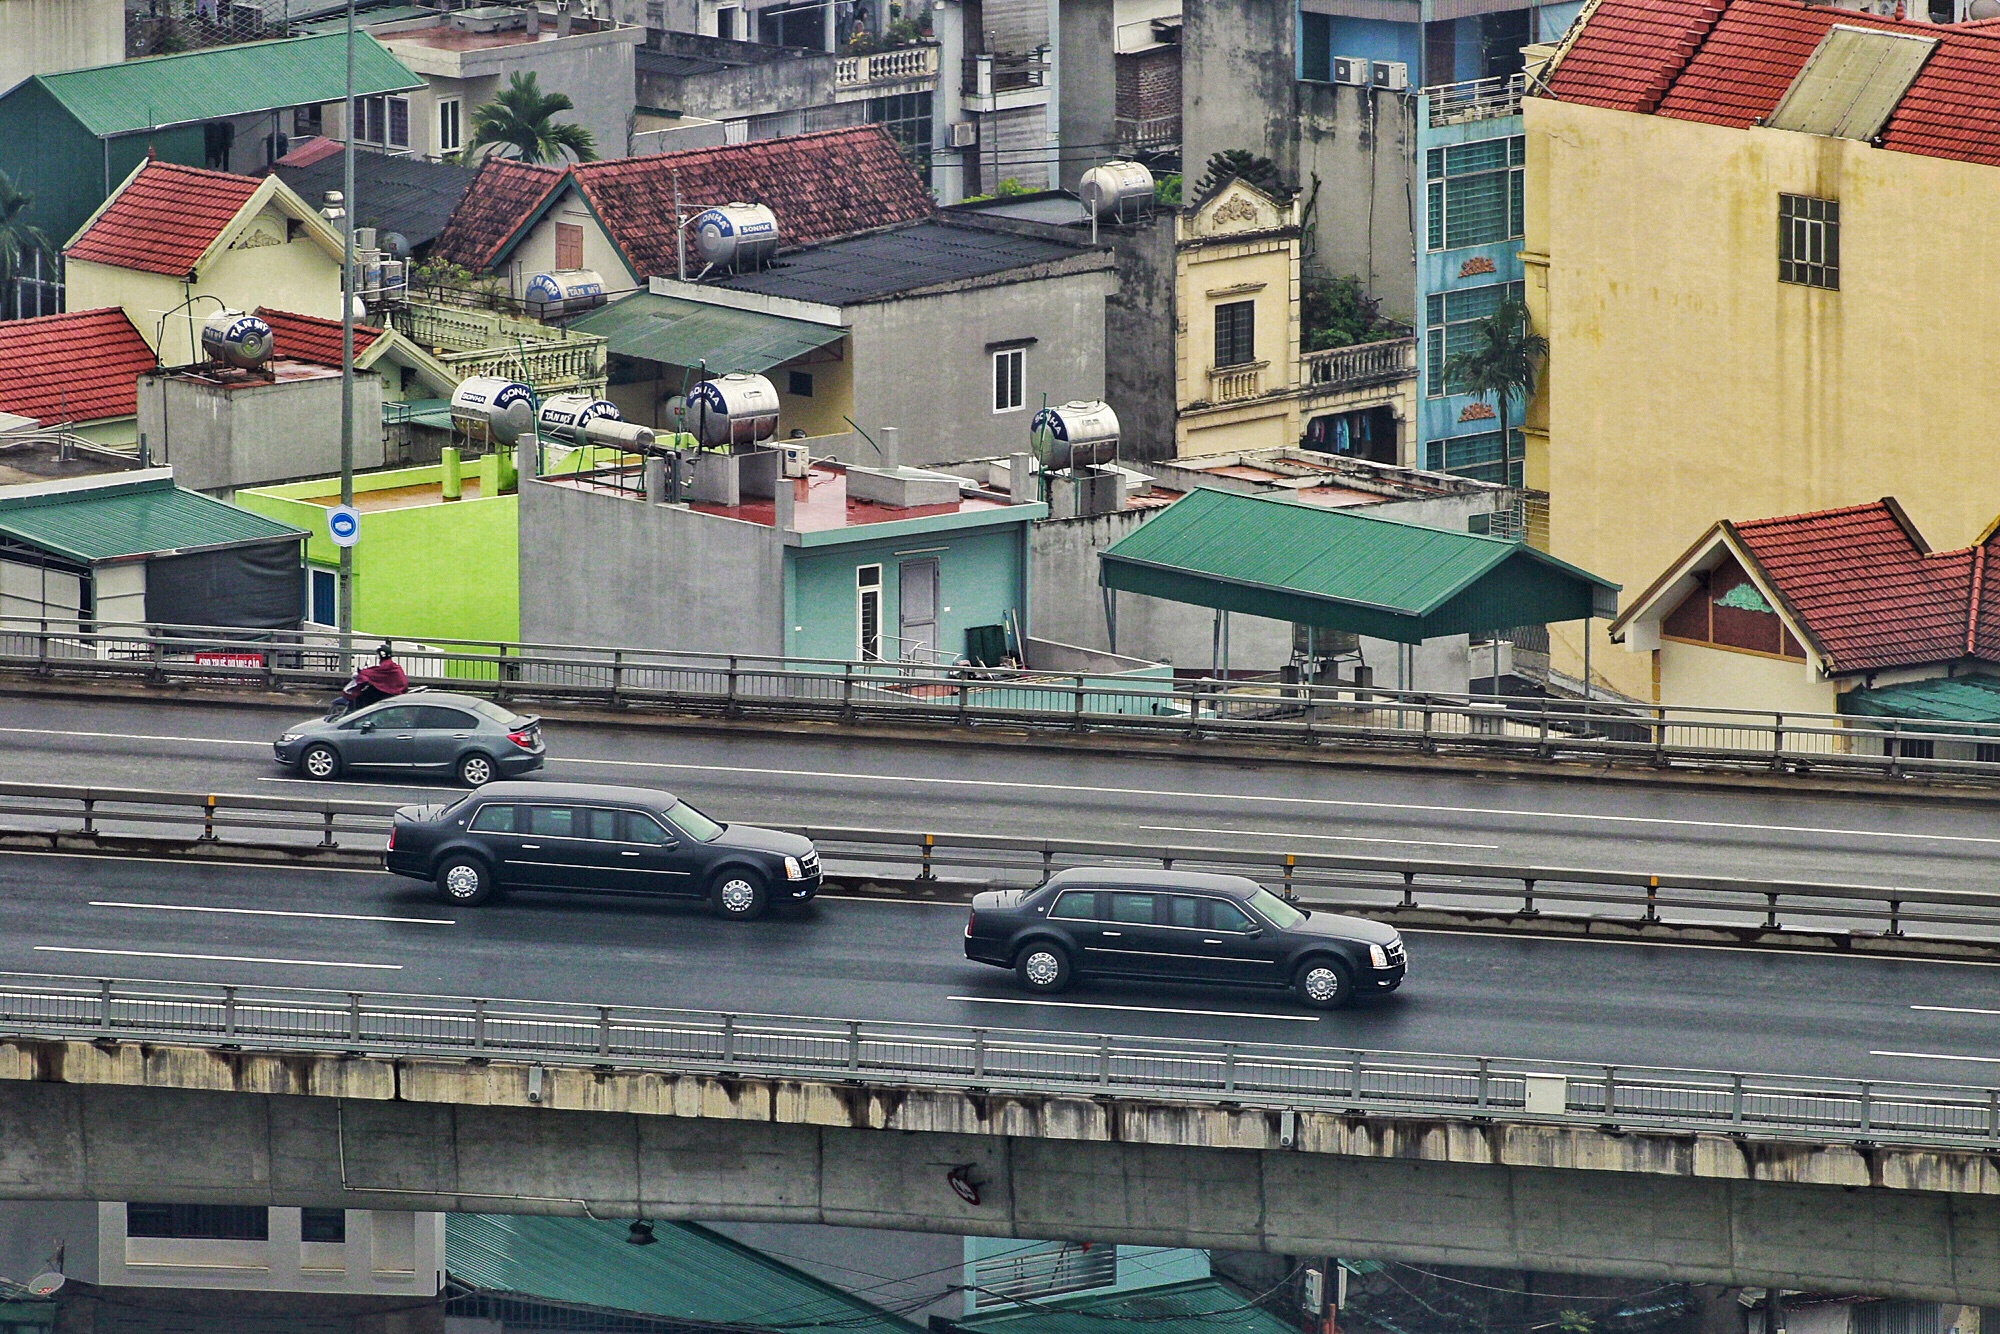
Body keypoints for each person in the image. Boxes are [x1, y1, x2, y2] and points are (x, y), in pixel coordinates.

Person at [335, 644, 409, 715]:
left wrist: (362, 673)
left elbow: (376, 673)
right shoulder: (392, 665)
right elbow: (377, 671)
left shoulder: (386, 666)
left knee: (365, 695)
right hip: (395, 691)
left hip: (390, 692)